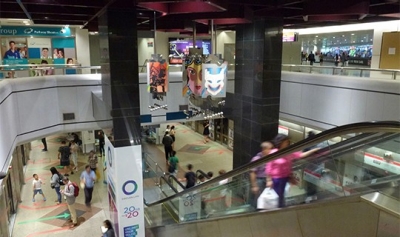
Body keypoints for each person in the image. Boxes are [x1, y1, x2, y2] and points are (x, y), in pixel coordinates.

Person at [266, 135, 319, 208]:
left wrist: (313, 150)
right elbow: (269, 167)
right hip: (276, 179)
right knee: (277, 195)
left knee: (281, 194)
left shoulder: (289, 152)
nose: (288, 143)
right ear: (280, 142)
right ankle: (277, 208)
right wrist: (269, 180)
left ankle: (279, 207)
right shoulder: (274, 152)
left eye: (288, 141)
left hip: (285, 177)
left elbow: (301, 155)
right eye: (286, 141)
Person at [249, 141, 276, 208]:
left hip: (268, 180)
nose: (272, 150)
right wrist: (254, 186)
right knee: (258, 198)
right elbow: (252, 173)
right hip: (260, 181)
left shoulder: (270, 158)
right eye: (270, 148)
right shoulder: (257, 159)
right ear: (264, 149)